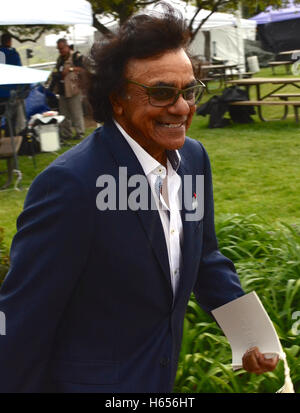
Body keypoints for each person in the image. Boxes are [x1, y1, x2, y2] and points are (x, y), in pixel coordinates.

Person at [0, 7, 278, 393]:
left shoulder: (194, 159)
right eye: (162, 92)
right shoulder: (71, 185)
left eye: (190, 90)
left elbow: (205, 258)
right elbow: (23, 318)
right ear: (117, 100)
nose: (182, 108)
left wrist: (249, 335)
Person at [50, 38, 85, 140]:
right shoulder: (60, 59)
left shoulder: (76, 56)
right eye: (59, 49)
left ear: (67, 46)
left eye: (62, 48)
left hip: (74, 90)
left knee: (76, 113)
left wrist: (70, 69)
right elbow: (56, 71)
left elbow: (84, 69)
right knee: (64, 115)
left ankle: (80, 133)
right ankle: (66, 134)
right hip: (62, 90)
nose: (60, 51)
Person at [0, 33, 26, 135]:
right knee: (11, 118)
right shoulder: (13, 54)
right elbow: (19, 72)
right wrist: (21, 89)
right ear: (9, 41)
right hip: (11, 92)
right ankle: (11, 139)